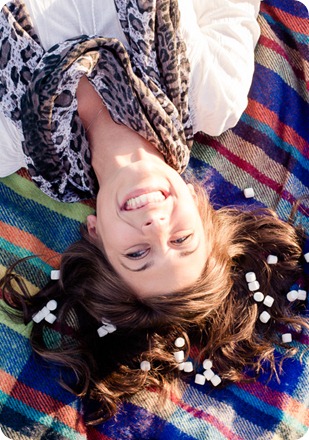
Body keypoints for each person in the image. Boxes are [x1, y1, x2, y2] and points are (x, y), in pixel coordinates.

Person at [1, 0, 308, 426]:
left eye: (138, 255)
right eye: (182, 241)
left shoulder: (10, 137)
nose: (155, 227)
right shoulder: (213, 97)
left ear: (95, 235)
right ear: (198, 204)